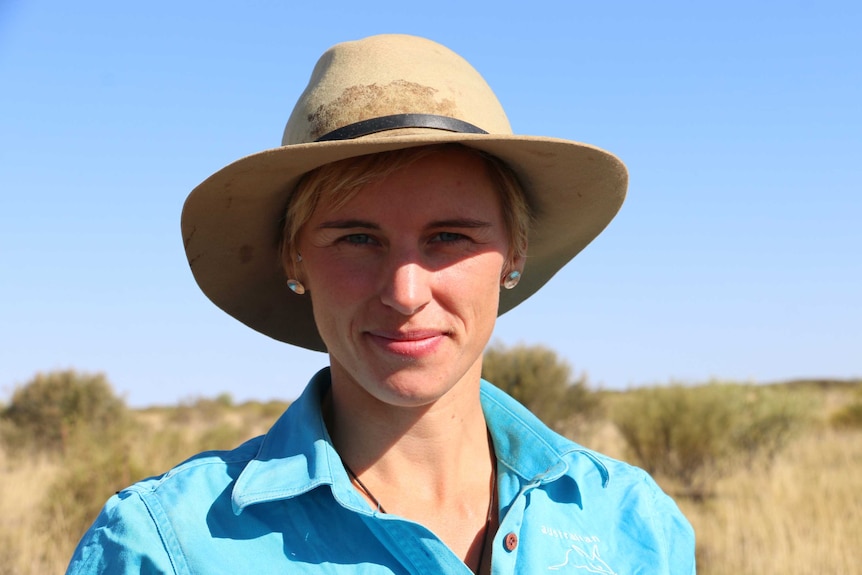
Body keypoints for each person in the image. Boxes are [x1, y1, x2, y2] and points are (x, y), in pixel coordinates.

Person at [66, 34, 695, 574]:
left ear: (514, 253)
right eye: (356, 239)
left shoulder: (628, 526)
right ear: (295, 260)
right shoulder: (170, 546)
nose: (405, 291)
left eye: (449, 237)